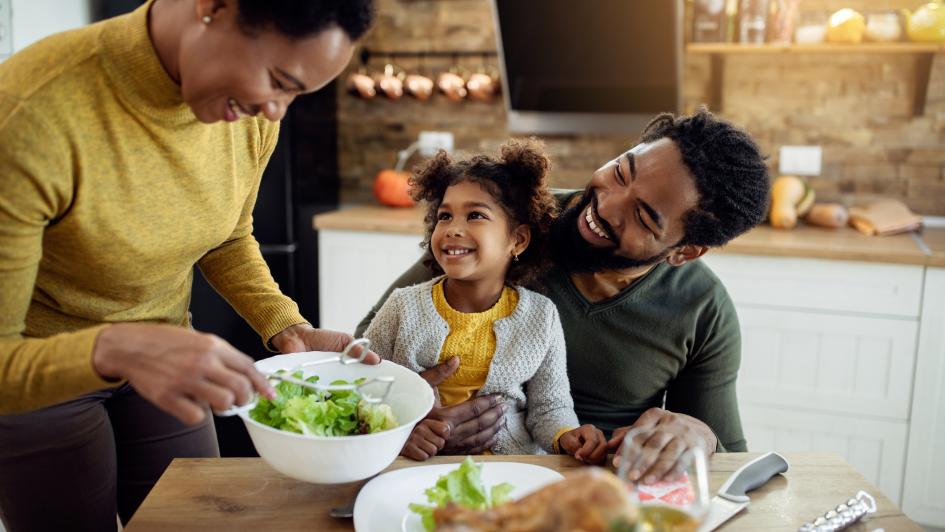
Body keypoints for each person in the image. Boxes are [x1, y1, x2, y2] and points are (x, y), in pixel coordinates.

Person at [0, 0, 376, 529]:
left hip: (168, 349)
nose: (277, 111)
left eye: (297, 93)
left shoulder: (248, 115)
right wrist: (117, 346)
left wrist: (285, 325)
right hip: (41, 371)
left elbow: (226, 235)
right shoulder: (29, 111)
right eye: (278, 80)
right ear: (214, 8)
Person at [357, 108, 771, 484]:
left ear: (684, 251)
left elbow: (733, 463)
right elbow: (370, 348)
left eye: (642, 217)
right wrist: (408, 413)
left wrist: (698, 434)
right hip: (442, 476)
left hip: (597, 496)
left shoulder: (702, 309)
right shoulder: (509, 223)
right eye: (622, 171)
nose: (606, 205)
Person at [363, 139, 608, 463]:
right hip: (418, 464)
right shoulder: (402, 307)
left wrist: (567, 436)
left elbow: (550, 407)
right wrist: (400, 430)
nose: (452, 229)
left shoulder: (541, 316)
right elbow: (364, 388)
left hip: (512, 468)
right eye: (445, 216)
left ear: (517, 240)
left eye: (475, 215)